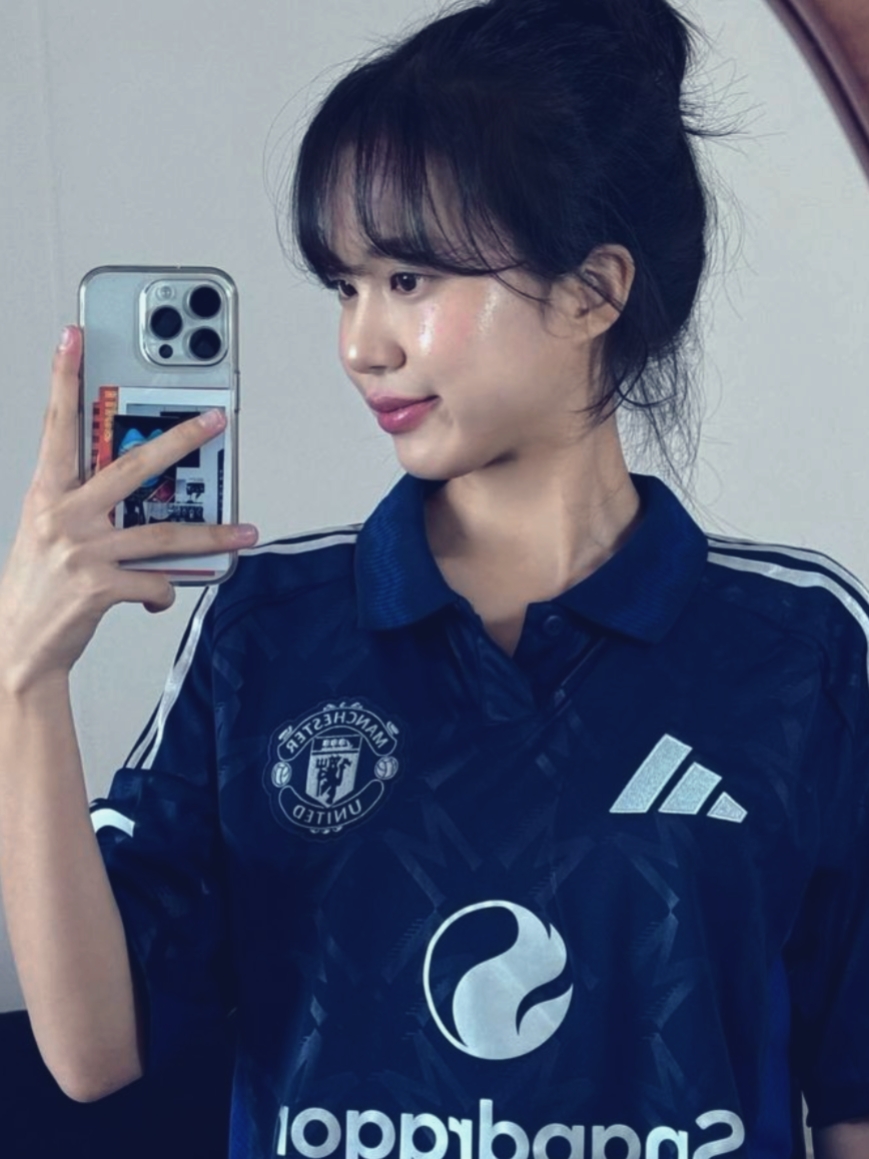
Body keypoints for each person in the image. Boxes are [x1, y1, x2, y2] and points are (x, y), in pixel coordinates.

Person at [0, 0, 868, 1156]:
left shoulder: (794, 647)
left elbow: (852, 1081)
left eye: (408, 278)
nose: (361, 343)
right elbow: (93, 1051)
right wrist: (24, 679)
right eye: (344, 286)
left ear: (591, 291)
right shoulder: (268, 628)